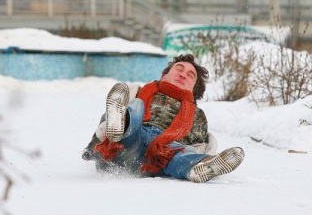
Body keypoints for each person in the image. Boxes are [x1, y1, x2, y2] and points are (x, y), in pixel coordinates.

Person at [82, 54, 244, 183]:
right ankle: (120, 130)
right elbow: (106, 118)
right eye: (179, 69)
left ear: (195, 88)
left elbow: (199, 144)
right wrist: (95, 143)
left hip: (158, 159)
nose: (183, 74)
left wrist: (204, 155)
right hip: (126, 148)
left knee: (183, 151)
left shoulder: (197, 114)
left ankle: (197, 167)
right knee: (135, 106)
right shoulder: (138, 91)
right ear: (164, 75)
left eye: (190, 75)